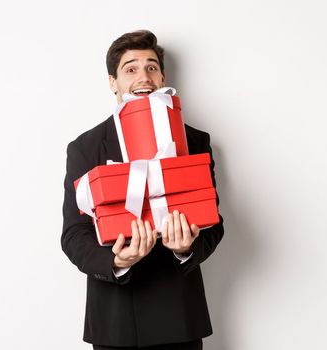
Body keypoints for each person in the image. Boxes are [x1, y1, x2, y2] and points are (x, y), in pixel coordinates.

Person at [61, 30, 225, 349]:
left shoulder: (195, 142)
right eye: (130, 69)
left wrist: (184, 249)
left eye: (151, 67)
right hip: (115, 322)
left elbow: (214, 225)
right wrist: (117, 261)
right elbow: (73, 235)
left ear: (162, 76)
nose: (143, 77)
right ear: (113, 82)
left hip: (179, 318)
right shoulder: (85, 148)